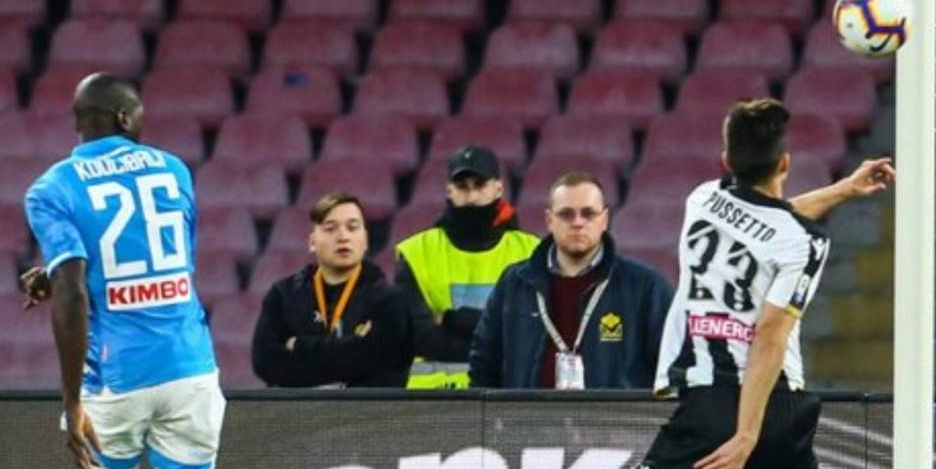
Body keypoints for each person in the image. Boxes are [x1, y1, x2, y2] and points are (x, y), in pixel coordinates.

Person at [562, 98, 919, 469]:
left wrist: (845, 189)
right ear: (784, 161)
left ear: (726, 160)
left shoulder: (703, 198)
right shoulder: (802, 243)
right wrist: (750, 436)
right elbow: (772, 329)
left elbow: (768, 229)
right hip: (774, 412)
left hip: (706, 406)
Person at [21, 73, 230, 469]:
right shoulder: (174, 171)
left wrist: (71, 400)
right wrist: (55, 280)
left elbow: (78, 290)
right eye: (137, 112)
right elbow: (166, 260)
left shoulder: (52, 188)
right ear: (121, 117)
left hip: (117, 378)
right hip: (190, 367)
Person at [468, 171, 673, 390]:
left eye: (588, 214)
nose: (577, 223)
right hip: (529, 423)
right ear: (549, 220)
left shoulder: (646, 288)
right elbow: (483, 367)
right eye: (566, 214)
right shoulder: (514, 284)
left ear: (604, 220)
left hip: (613, 424)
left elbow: (670, 370)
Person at [394, 145, 540, 388]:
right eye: (463, 187)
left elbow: (531, 333)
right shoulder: (415, 253)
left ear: (498, 188)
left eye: (480, 186)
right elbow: (419, 339)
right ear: (449, 190)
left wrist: (453, 319)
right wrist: (499, 337)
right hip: (433, 404)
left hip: (506, 402)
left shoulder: (532, 253)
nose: (472, 197)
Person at [252, 192, 415, 387]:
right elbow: (265, 362)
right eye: (330, 229)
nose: (343, 237)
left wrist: (299, 345)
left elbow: (383, 360)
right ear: (312, 241)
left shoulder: (389, 299)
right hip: (299, 414)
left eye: (352, 228)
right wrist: (353, 350)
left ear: (365, 240)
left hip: (367, 415)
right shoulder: (283, 295)